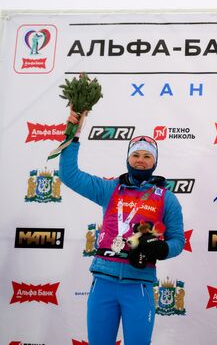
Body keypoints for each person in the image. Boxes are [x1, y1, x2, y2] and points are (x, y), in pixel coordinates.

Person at [59, 109, 184, 345]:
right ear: (127, 158)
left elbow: (178, 241)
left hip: (138, 286)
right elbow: (69, 175)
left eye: (147, 156)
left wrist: (160, 249)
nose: (140, 160)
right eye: (136, 154)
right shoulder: (109, 189)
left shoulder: (167, 198)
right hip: (103, 282)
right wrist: (73, 135)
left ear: (155, 161)